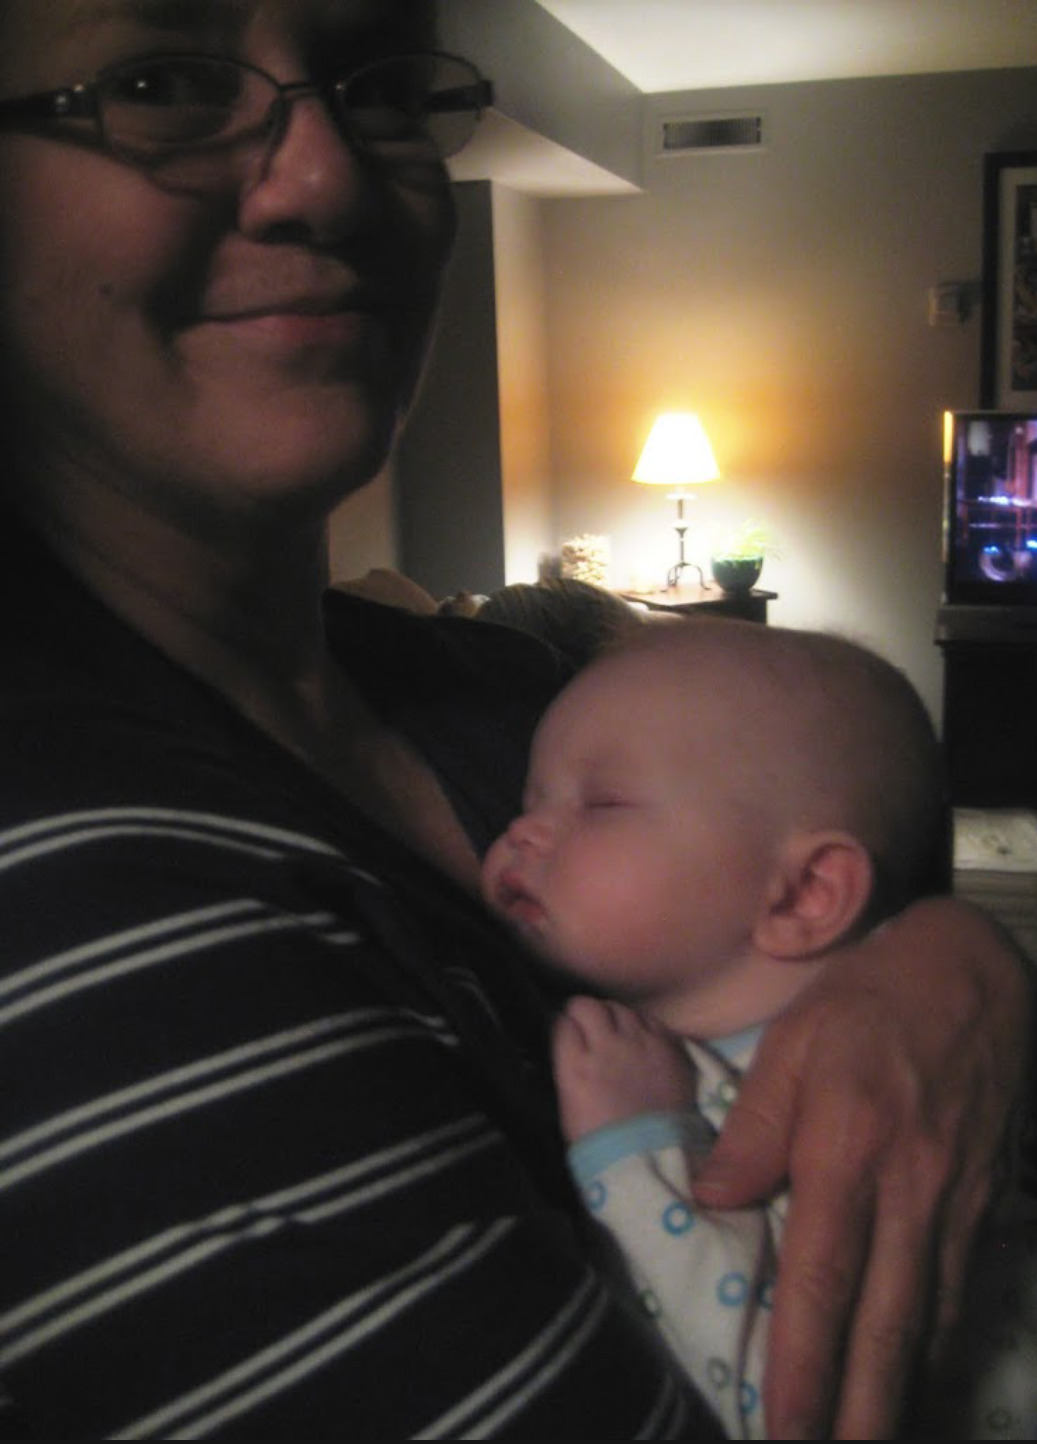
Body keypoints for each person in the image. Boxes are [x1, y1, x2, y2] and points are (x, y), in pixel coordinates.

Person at [0, 1, 1030, 1436]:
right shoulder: (76, 893)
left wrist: (951, 958)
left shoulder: (508, 688)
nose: (329, 173)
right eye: (162, 79)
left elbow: (803, 883)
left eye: (375, 83)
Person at [481, 619, 1037, 1439]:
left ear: (804, 894)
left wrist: (637, 1150)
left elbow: (784, 1401)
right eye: (528, 802)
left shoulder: (839, 1102)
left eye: (601, 804)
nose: (520, 832)